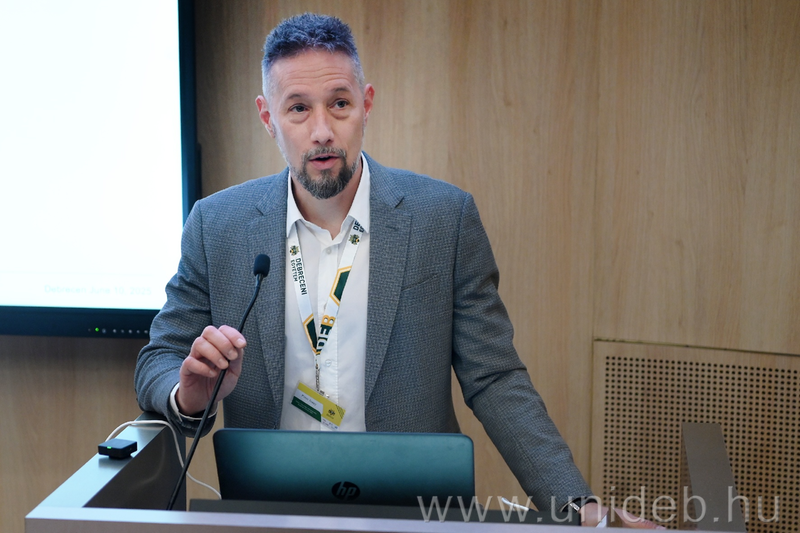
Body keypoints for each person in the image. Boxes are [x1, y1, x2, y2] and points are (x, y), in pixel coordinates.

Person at [135, 13, 660, 528]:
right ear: (268, 117)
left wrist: (578, 507)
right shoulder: (217, 226)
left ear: (365, 104)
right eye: (297, 108)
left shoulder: (444, 219)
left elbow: (495, 378)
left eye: (339, 103)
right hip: (270, 513)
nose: (322, 131)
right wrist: (189, 396)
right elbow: (158, 359)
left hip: (413, 514)